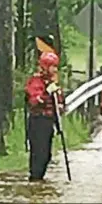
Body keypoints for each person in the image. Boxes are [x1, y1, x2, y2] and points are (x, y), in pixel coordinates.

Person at [24, 51, 64, 182]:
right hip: (37, 121)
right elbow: (35, 101)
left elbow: (59, 101)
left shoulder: (52, 83)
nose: (55, 69)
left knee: (46, 154)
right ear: (46, 66)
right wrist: (47, 92)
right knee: (39, 154)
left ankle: (39, 180)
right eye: (53, 66)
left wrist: (60, 104)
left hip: (48, 122)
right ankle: (35, 179)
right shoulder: (36, 82)